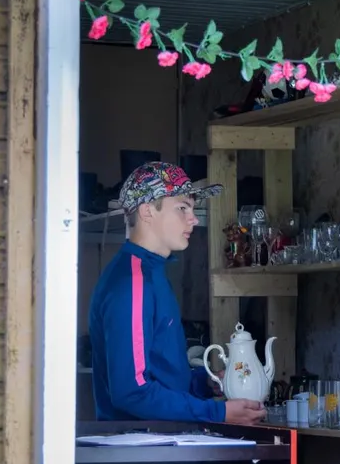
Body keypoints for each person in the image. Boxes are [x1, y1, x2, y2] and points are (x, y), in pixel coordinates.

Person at [89, 162, 267, 426]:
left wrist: (206, 383)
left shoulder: (152, 273)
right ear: (147, 211)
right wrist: (217, 413)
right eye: (182, 208)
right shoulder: (133, 281)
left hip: (162, 446)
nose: (193, 219)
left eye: (193, 209)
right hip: (140, 454)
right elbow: (132, 392)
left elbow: (159, 374)